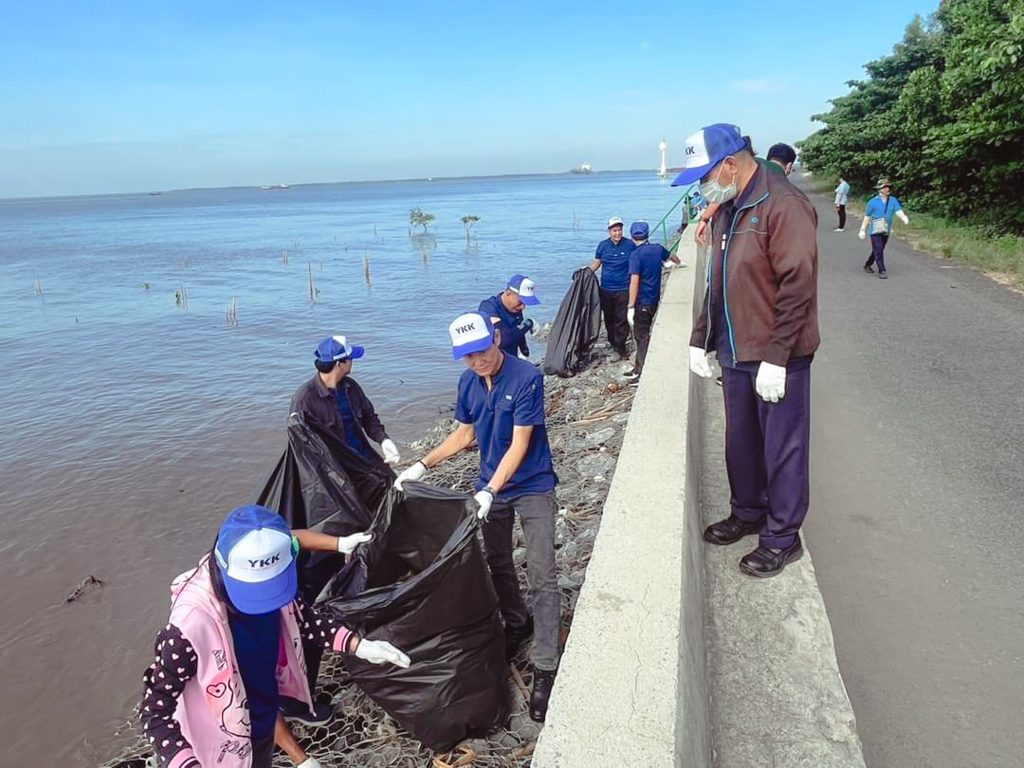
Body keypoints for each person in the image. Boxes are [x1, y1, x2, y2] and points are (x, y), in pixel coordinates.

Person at [140, 505, 410, 768]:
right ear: (223, 571)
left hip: (261, 718)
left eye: (272, 592)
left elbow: (305, 619)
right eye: (254, 596)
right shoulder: (187, 630)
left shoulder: (278, 579)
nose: (266, 605)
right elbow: (154, 711)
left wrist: (358, 645)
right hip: (215, 745)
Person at [392, 311, 560, 722]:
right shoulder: (468, 381)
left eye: (482, 351)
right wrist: (422, 465)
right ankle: (516, 622)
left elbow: (521, 444)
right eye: (468, 356)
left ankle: (546, 665)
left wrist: (490, 489)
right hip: (491, 487)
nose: (478, 361)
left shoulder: (526, 378)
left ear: (496, 338)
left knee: (542, 572)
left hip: (532, 484)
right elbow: (465, 433)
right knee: (498, 562)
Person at [674, 122, 820, 578]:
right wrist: (701, 339)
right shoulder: (726, 208)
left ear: (731, 164)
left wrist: (777, 357)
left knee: (783, 448)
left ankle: (781, 537)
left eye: (705, 176)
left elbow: (798, 285)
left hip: (778, 353)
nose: (703, 187)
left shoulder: (784, 205)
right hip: (735, 350)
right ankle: (748, 511)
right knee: (741, 443)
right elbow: (717, 281)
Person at [290, 335, 401, 466]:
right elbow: (302, 446)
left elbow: (368, 418)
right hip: (335, 470)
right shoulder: (304, 399)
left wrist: (383, 440)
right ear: (339, 364)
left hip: (363, 459)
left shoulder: (351, 387)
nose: (353, 361)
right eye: (350, 358)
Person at [625, 221, 681, 379]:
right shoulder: (657, 249)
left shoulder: (635, 255)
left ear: (632, 236)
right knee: (645, 332)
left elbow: (634, 281)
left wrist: (630, 306)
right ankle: (639, 368)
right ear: (647, 234)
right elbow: (673, 257)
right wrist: (679, 263)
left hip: (642, 301)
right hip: (654, 299)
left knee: (640, 335)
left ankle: (640, 371)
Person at [589, 216, 636, 360]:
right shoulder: (603, 246)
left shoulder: (630, 245)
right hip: (606, 290)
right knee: (609, 320)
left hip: (623, 289)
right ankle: (613, 342)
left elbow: (637, 263)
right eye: (615, 230)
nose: (617, 233)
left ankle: (620, 349)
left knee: (621, 319)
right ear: (609, 231)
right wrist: (585, 272)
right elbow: (597, 263)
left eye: (620, 230)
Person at [478, 274, 540, 358]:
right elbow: (503, 339)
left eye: (525, 303)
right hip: (490, 363)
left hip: (510, 360)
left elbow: (518, 331)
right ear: (508, 293)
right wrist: (529, 324)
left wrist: (524, 350)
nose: (523, 307)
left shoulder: (515, 308)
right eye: (521, 302)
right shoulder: (489, 308)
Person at [859, 178, 910, 279]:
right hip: (875, 230)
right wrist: (862, 230)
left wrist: (903, 217)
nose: (887, 189)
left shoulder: (893, 200)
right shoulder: (872, 202)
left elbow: (898, 211)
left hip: (886, 230)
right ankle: (882, 270)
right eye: (885, 187)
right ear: (880, 189)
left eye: (888, 187)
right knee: (878, 249)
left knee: (879, 249)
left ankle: (868, 264)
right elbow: (867, 217)